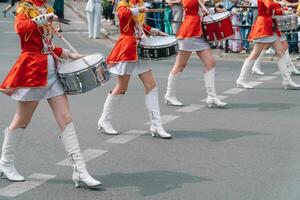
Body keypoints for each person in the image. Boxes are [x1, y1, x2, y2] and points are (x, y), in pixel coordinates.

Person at [0, 0, 101, 189]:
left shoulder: (45, 8)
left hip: (52, 71)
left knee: (66, 118)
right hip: (32, 71)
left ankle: (80, 170)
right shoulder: (25, 8)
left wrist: (69, 54)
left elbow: (46, 45)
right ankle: (5, 163)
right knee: (21, 121)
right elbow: (21, 29)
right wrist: (43, 18)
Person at [97, 0, 172, 139]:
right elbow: (123, 15)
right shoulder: (123, 4)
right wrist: (141, 9)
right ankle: (105, 120)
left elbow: (139, 26)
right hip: (127, 49)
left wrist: (156, 32)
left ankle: (156, 124)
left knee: (151, 84)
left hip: (140, 48)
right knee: (121, 87)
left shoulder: (137, 3)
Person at [164, 0, 228, 108]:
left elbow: (201, 10)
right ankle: (169, 95)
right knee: (180, 65)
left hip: (199, 32)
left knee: (210, 63)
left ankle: (211, 96)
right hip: (189, 32)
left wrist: (215, 9)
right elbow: (190, 6)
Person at [236, 0, 300, 89]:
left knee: (281, 52)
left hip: (270, 27)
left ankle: (287, 81)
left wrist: (282, 9)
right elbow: (269, 5)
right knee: (255, 54)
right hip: (264, 27)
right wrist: (280, 4)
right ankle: (241, 79)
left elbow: (273, 9)